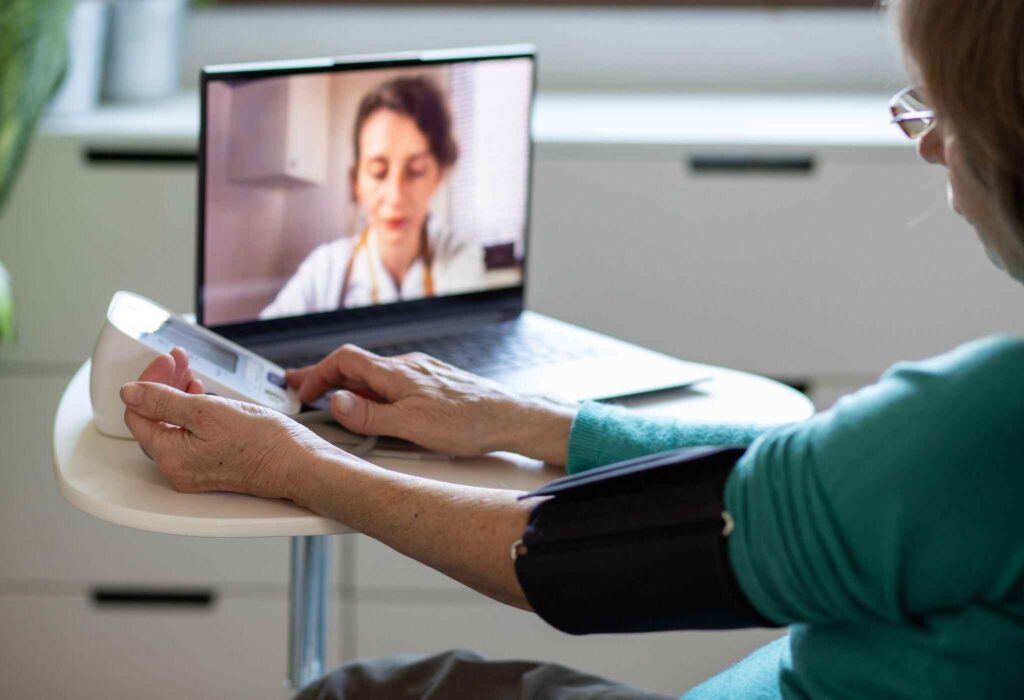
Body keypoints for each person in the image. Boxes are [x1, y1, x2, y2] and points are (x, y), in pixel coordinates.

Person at [120, 1, 1024, 697]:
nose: (931, 143)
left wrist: (300, 463)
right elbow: (799, 482)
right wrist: (519, 418)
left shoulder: (990, 419)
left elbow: (559, 557)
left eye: (938, 102)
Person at [260, 76, 485, 319]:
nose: (395, 196)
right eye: (378, 173)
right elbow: (257, 352)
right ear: (356, 180)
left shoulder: (460, 257)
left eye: (415, 171)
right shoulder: (324, 270)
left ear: (439, 176)